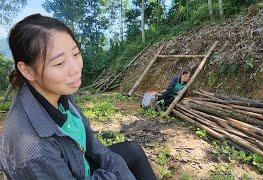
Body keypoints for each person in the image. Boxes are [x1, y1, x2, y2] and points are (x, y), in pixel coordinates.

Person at [0, 14, 156, 180]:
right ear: (27, 71)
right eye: (59, 63)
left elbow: (94, 147)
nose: (75, 69)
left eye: (75, 54)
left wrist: (120, 171)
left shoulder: (57, 91)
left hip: (79, 163)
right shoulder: (35, 151)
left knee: (133, 151)